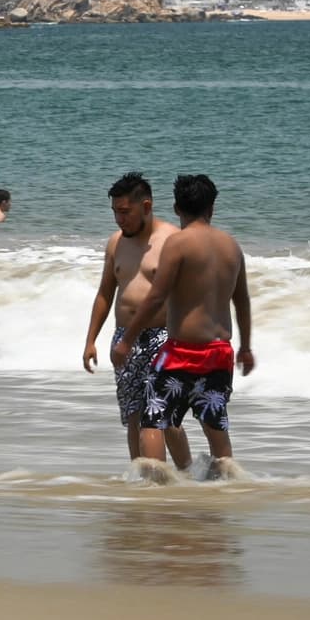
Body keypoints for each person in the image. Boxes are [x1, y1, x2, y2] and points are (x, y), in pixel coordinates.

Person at [113, 174, 255, 472]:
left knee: (153, 419)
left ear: (177, 208)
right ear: (212, 208)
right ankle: (226, 485)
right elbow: (242, 301)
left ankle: (155, 488)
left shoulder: (177, 244)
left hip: (181, 353)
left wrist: (127, 340)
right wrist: (246, 347)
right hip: (220, 352)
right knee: (214, 422)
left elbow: (155, 297)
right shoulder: (232, 247)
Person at [81, 172, 191, 466]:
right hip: (124, 339)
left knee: (162, 417)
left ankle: (185, 477)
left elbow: (192, 294)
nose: (119, 219)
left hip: (163, 337)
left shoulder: (172, 240)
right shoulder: (116, 243)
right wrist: (90, 340)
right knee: (133, 415)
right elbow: (105, 293)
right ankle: (143, 485)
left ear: (146, 206)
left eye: (125, 212)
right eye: (115, 212)